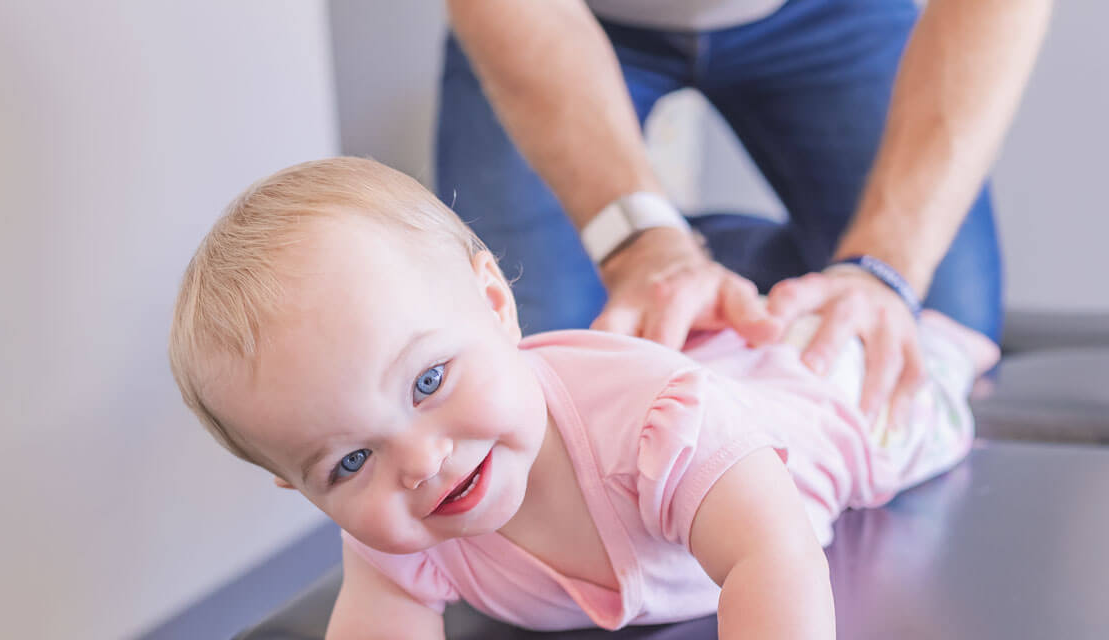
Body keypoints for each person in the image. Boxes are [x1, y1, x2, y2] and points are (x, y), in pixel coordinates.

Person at [168, 158, 997, 640]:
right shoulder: (394, 527)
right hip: (713, 392)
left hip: (813, 413)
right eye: (348, 461)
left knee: (901, 404)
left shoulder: (653, 424)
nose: (420, 462)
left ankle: (950, 350)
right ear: (300, 488)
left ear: (495, 302)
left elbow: (771, 558)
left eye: (427, 382)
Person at [438, 0, 1049, 428]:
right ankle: (683, 257)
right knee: (531, 366)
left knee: (933, 334)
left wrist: (880, 265)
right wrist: (642, 244)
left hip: (828, 12)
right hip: (557, 15)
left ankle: (726, 269)